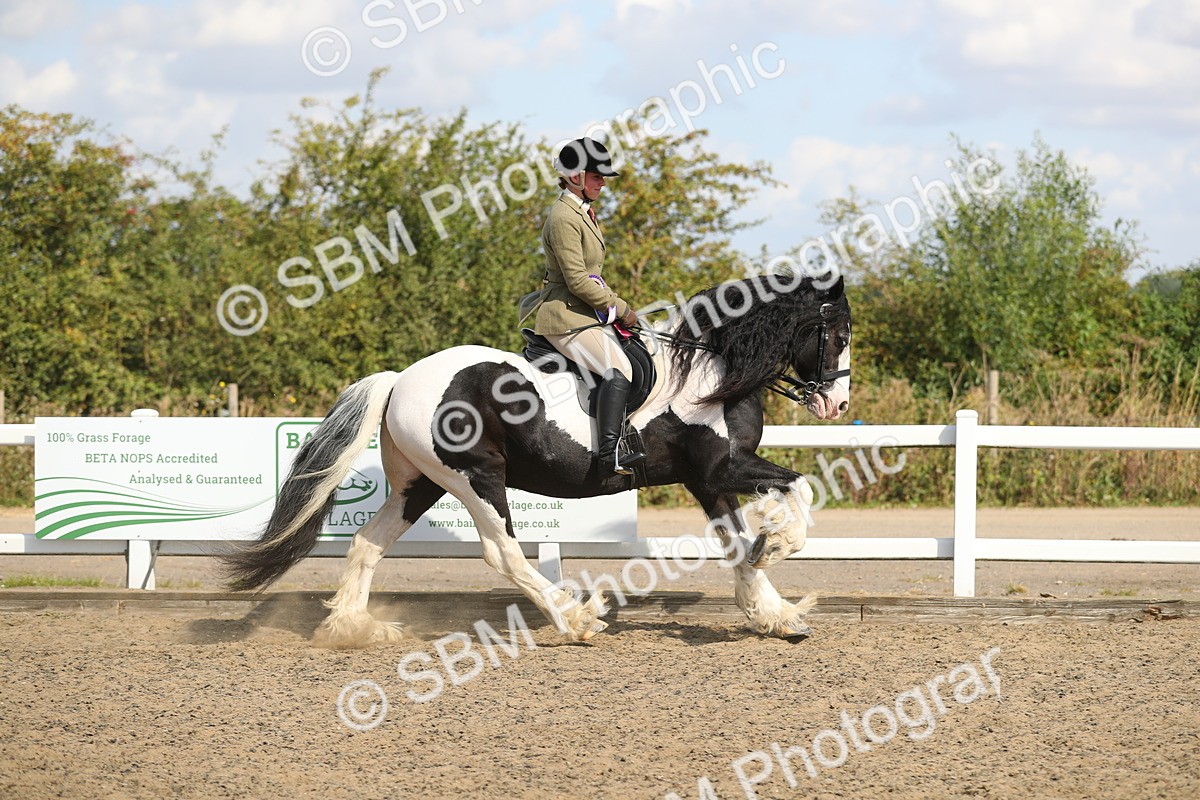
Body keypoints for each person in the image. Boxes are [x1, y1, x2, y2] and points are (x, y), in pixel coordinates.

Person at [534, 137, 645, 475]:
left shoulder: (582, 213)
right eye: (596, 177)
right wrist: (622, 308)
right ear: (575, 177)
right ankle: (609, 453)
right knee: (619, 371)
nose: (602, 184)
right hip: (564, 317)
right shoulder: (563, 217)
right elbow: (578, 281)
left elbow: (593, 276)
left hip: (584, 314)